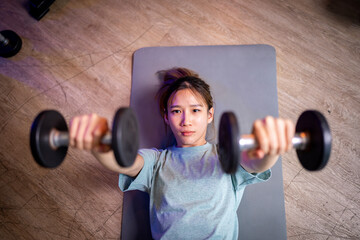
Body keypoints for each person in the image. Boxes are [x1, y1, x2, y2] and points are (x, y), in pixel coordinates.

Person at [69, 67, 295, 239]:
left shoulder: (225, 155)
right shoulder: (156, 161)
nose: (186, 121)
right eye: (177, 111)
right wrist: (98, 145)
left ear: (209, 115)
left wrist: (271, 148)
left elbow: (257, 164)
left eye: (195, 110)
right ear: (166, 117)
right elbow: (124, 162)